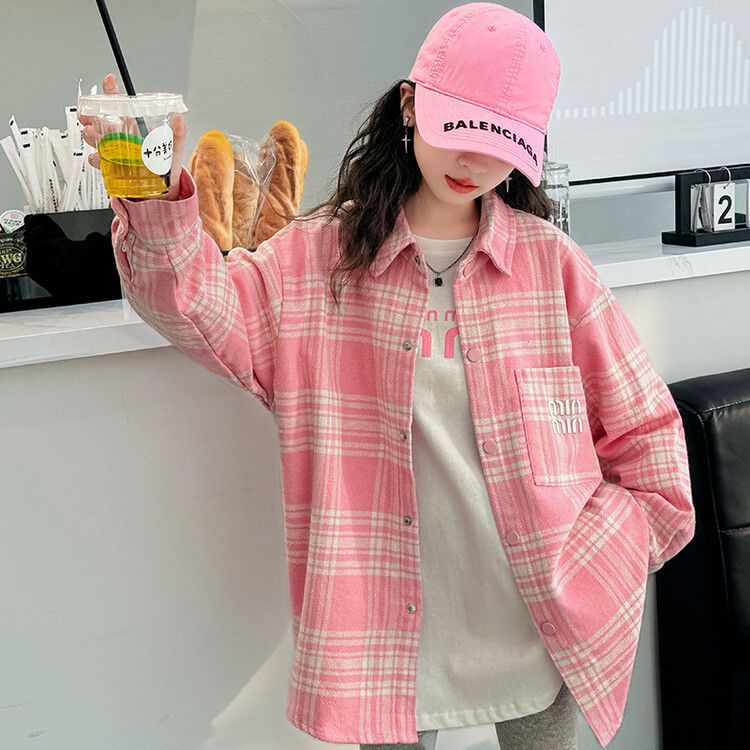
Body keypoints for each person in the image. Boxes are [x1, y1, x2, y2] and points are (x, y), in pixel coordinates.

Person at [80, 3, 695, 749]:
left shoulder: (552, 268)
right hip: (383, 632)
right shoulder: (319, 261)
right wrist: (148, 189)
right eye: (458, 130)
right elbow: (199, 309)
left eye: (500, 145)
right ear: (409, 105)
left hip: (539, 626)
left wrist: (600, 566)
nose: (474, 163)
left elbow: (649, 445)